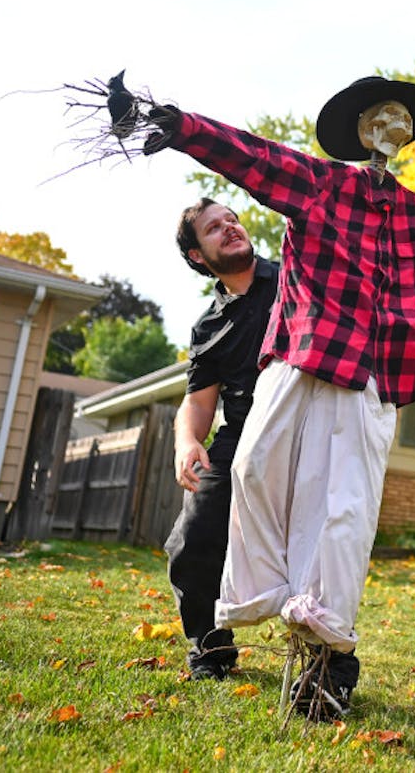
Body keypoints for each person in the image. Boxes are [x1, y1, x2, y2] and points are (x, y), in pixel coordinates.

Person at [139, 76, 415, 721]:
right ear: (357, 134)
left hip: (371, 385)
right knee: (250, 473)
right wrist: (182, 127)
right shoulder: (322, 187)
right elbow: (253, 156)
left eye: (401, 122)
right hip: (303, 365)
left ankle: (324, 665)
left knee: (343, 519)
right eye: (378, 119)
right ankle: (244, 614)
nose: (391, 130)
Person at [163, 198, 283, 682]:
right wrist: (186, 442)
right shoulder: (208, 326)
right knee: (189, 540)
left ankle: (328, 661)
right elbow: (196, 402)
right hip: (240, 437)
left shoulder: (294, 278)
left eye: (232, 219)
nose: (230, 227)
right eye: (214, 228)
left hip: (306, 426)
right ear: (197, 255)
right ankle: (210, 649)